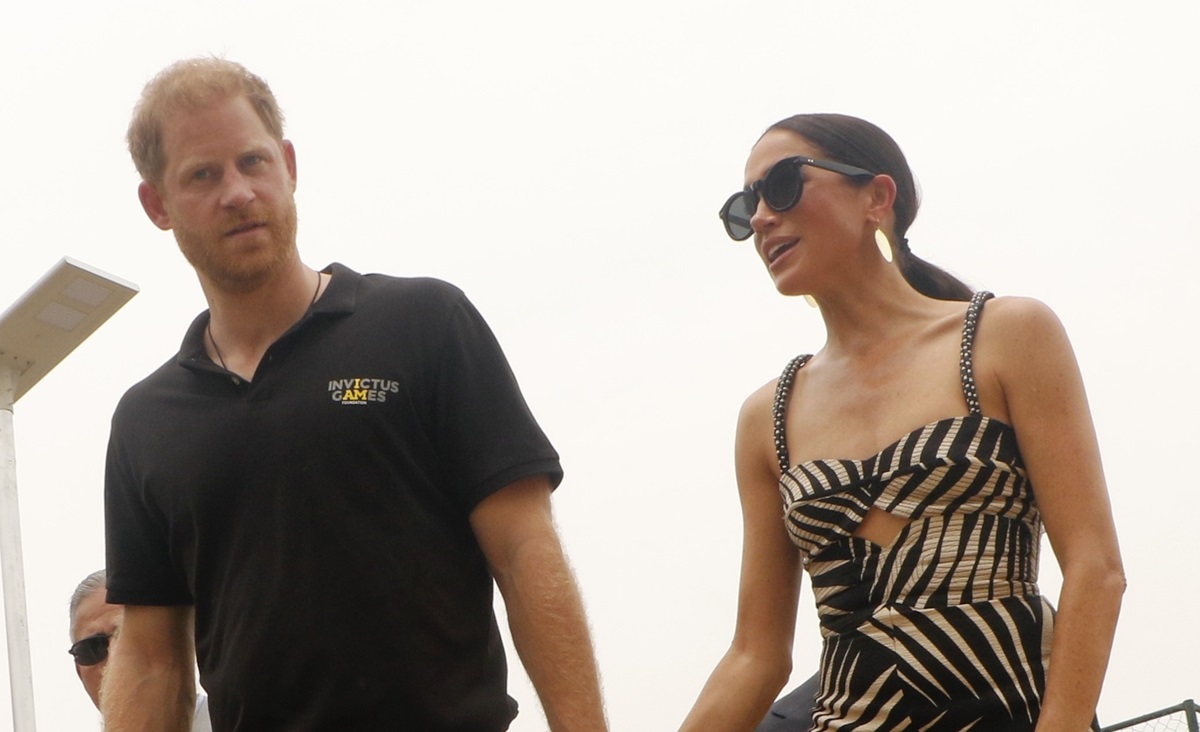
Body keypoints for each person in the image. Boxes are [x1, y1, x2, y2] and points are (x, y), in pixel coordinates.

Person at [103, 57, 605, 732]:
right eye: (203, 174)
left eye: (253, 162)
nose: (239, 193)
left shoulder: (424, 324)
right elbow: (150, 657)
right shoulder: (146, 422)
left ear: (288, 165)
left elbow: (524, 553)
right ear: (156, 204)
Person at [681, 114, 1124, 731]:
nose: (759, 218)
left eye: (781, 185)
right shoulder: (768, 418)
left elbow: (1095, 570)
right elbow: (755, 657)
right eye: (745, 205)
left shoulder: (1005, 338)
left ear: (877, 197)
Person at [69, 569, 213, 731]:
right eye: (92, 647)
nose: (115, 656)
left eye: (128, 637)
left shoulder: (231, 721)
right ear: (79, 671)